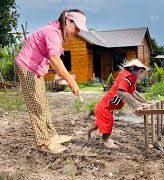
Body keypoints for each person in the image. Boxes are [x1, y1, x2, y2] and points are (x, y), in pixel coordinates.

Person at [15, 9, 88, 153]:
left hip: (35, 69)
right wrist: (71, 81)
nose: (77, 32)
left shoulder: (56, 32)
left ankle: (53, 136)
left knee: (43, 104)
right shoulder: (52, 33)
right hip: (27, 67)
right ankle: (45, 142)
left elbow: (52, 58)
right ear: (68, 21)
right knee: (36, 106)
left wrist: (61, 74)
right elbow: (55, 57)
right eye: (76, 27)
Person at [87, 59, 151, 148]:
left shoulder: (130, 78)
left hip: (105, 107)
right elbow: (121, 92)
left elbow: (133, 93)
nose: (142, 75)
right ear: (132, 68)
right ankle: (105, 140)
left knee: (99, 122)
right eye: (140, 72)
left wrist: (146, 102)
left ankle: (88, 131)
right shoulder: (127, 77)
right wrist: (137, 106)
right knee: (108, 122)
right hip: (104, 107)